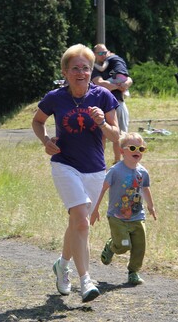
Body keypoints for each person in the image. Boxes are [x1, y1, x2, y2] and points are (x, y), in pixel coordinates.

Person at [32, 44, 120, 302]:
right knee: (81, 221)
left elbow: (117, 135)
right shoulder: (55, 97)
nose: (81, 73)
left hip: (95, 169)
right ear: (65, 71)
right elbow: (37, 121)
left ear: (91, 70)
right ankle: (86, 280)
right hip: (64, 164)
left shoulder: (103, 97)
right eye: (75, 68)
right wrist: (46, 140)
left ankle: (62, 264)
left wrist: (102, 122)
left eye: (86, 68)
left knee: (78, 223)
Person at [91, 132, 156, 285]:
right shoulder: (115, 171)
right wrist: (95, 209)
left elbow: (145, 188)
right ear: (122, 152)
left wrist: (151, 206)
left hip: (137, 216)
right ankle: (112, 246)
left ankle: (133, 272)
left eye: (141, 149)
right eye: (133, 148)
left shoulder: (143, 172)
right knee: (123, 246)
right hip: (116, 216)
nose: (137, 151)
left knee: (140, 246)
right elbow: (103, 189)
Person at [92, 44, 133, 164]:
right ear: (94, 54)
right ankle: (100, 162)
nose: (103, 55)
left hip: (119, 103)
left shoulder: (114, 62)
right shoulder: (94, 68)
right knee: (102, 136)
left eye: (105, 52)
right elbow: (100, 84)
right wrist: (119, 86)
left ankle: (119, 161)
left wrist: (126, 84)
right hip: (102, 106)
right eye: (100, 53)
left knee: (122, 135)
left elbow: (128, 79)